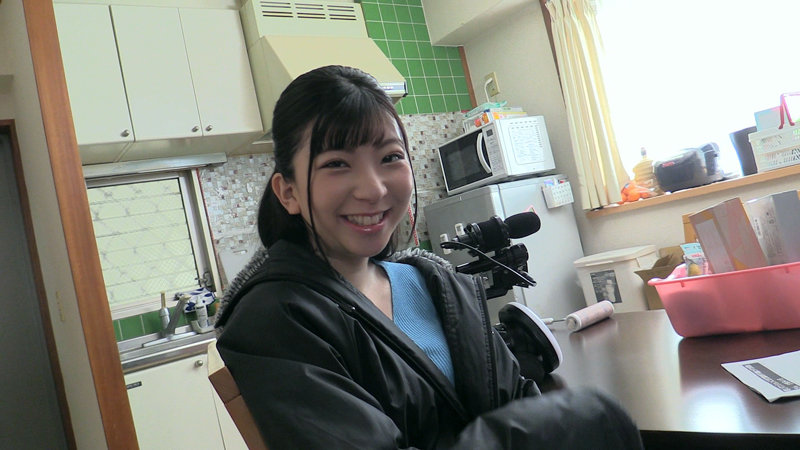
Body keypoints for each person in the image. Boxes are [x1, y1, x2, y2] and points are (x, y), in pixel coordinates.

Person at [214, 65, 642, 449]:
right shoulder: (275, 319)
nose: (374, 189)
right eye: (337, 164)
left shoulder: (436, 284)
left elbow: (515, 399)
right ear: (288, 192)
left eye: (390, 157)